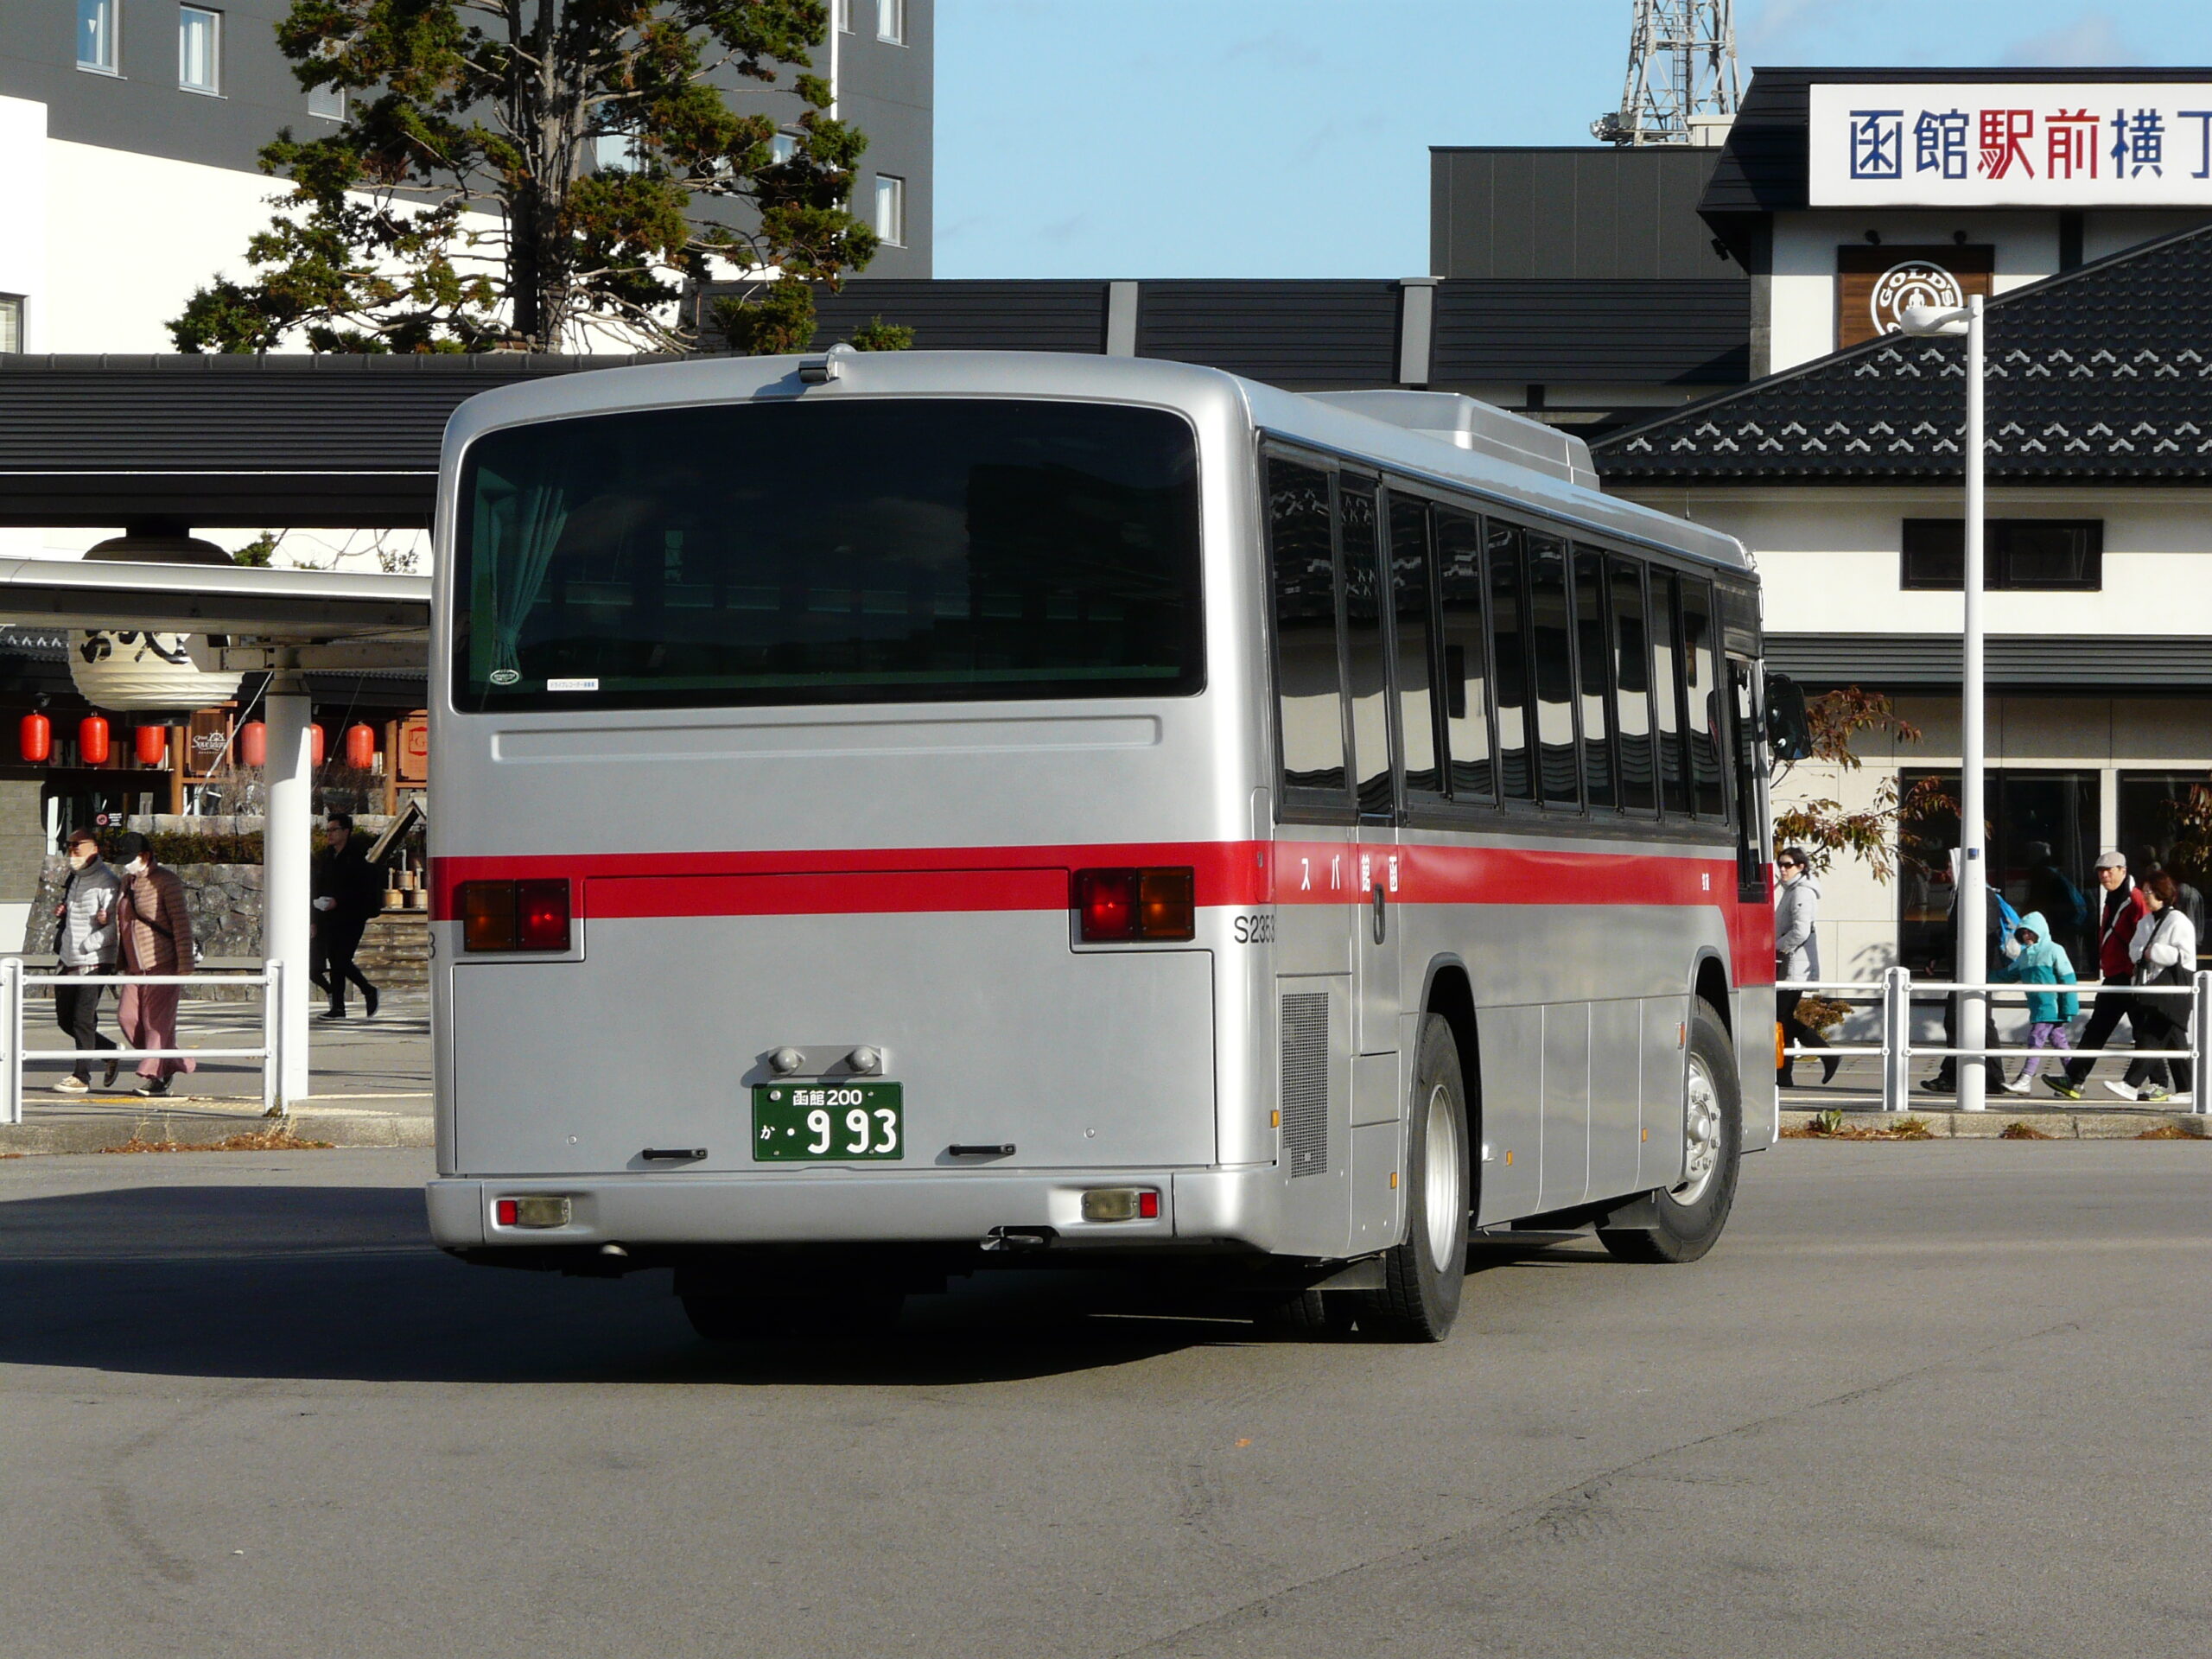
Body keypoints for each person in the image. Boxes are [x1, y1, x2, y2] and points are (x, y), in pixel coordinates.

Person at [2051, 849, 2156, 1103]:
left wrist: (2138, 970)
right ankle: (2073, 1079)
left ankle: (2160, 1083)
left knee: (2143, 1033)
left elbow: (2144, 936)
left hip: (2130, 976)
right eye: (2100, 871)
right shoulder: (2112, 898)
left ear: (2123, 870)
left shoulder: (2135, 899)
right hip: (2114, 975)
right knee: (2097, 1029)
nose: (2104, 875)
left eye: (2110, 870)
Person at [113, 831, 195, 1098]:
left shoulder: (166, 882)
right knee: (127, 1017)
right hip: (134, 967)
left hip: (163, 963)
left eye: (130, 858)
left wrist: (184, 967)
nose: (126, 864)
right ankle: (171, 1060)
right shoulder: (127, 882)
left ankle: (154, 1075)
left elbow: (181, 925)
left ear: (145, 856)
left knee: (156, 1023)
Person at [49, 827, 122, 1094]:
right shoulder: (75, 879)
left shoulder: (108, 882)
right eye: (69, 846)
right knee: (66, 1021)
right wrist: (62, 913)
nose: (73, 850)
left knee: (83, 1020)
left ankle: (81, 1077)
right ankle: (111, 1051)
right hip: (68, 959)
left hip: (94, 961)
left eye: (78, 845)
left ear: (95, 848)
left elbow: (115, 928)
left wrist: (89, 944)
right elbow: (75, 917)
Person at [2122, 873, 2196, 1104]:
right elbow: (2134, 948)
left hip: (2173, 988)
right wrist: (2142, 953)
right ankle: (2187, 1090)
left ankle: (2130, 1084)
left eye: (2149, 892)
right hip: (2152, 986)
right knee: (2174, 1040)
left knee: (2151, 1034)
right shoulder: (2145, 921)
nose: (2145, 896)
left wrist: (2153, 952)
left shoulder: (2179, 921)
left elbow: (2184, 956)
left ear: (2162, 894)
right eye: (2144, 891)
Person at [1993, 911, 2078, 1094]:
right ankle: (2076, 1078)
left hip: (2051, 1006)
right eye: (2022, 933)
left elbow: (2068, 978)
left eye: (2029, 932)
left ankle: (2025, 1078)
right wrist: (1983, 977)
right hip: (2038, 1007)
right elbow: (2007, 975)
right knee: (2059, 1042)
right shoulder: (2024, 957)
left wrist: (2070, 1005)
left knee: (2036, 1038)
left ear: (2040, 931)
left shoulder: (2054, 950)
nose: (2026, 936)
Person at [1773, 847, 1837, 1086]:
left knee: (1780, 1018)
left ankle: (1826, 1054)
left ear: (1801, 867)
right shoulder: (1791, 891)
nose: (1782, 869)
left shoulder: (1801, 893)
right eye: (1780, 864)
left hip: (1794, 965)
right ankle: (1785, 1075)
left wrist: (1775, 947)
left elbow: (1800, 931)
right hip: (1789, 963)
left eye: (1787, 865)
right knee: (1782, 1018)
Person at [311, 812, 382, 1020]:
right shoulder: (326, 857)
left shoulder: (357, 859)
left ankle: (364, 992)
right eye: (328, 830)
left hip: (352, 915)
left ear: (346, 832)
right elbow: (318, 885)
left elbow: (361, 890)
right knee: (333, 959)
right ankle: (341, 1006)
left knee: (340, 958)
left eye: (334, 830)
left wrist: (339, 901)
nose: (330, 834)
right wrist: (315, 915)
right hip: (328, 915)